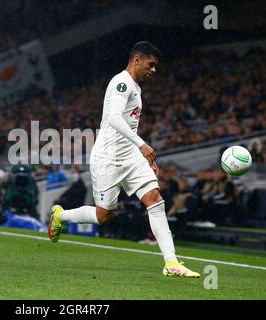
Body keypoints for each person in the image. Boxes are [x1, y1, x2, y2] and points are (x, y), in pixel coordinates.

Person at [48, 41, 200, 278]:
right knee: (103, 216)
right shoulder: (121, 83)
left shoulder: (136, 87)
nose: (154, 70)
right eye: (151, 64)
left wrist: (141, 153)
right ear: (136, 59)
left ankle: (171, 263)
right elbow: (113, 119)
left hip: (130, 156)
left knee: (154, 199)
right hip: (108, 157)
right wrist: (143, 145)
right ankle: (61, 215)